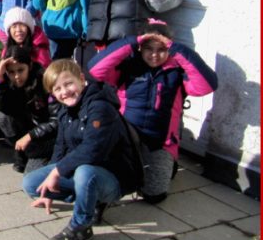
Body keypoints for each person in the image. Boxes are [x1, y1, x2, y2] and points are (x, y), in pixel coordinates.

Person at [87, 19, 217, 203]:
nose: (155, 55)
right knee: (115, 180)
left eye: (161, 49)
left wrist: (177, 50)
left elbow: (207, 85)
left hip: (159, 140)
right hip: (127, 138)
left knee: (154, 195)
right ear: (141, 48)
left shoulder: (177, 73)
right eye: (149, 49)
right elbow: (95, 69)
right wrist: (132, 42)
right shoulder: (128, 67)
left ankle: (166, 165)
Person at [22, 59, 138, 240]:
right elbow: (61, 146)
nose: (64, 92)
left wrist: (57, 172)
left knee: (85, 172)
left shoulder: (100, 107)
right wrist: (51, 188)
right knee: (32, 183)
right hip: (83, 170)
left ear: (81, 79)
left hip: (113, 175)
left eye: (68, 84)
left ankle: (81, 226)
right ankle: (90, 200)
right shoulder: (65, 110)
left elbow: (94, 149)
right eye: (57, 89)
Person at [0, 46, 58, 173]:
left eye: (21, 70)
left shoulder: (44, 82)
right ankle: (21, 153)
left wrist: (30, 136)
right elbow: (0, 107)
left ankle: (41, 157)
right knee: (2, 116)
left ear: (30, 66)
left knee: (31, 175)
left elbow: (56, 120)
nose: (16, 76)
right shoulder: (8, 83)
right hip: (28, 131)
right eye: (11, 72)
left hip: (48, 136)